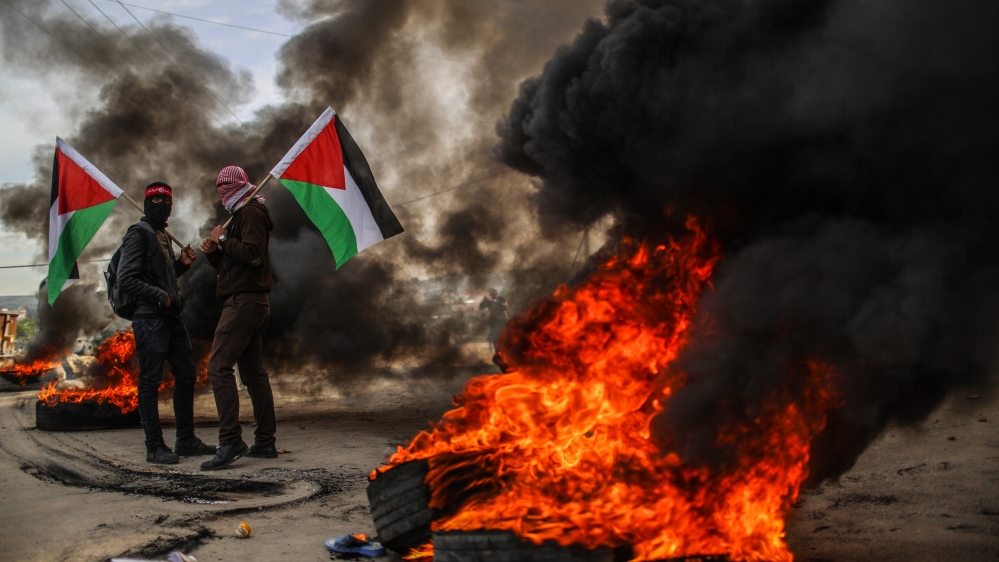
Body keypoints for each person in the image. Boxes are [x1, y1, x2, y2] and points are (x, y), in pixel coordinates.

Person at [117, 182, 216, 464]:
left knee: (186, 374)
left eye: (167, 201)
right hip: (150, 320)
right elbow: (126, 279)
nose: (163, 205)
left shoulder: (161, 235)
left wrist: (181, 265)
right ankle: (154, 446)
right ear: (147, 204)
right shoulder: (138, 234)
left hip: (172, 319)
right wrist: (161, 296)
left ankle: (186, 440)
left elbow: (162, 277)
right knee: (150, 381)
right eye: (156, 200)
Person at [198, 166, 277, 471]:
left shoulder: (251, 212)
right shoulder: (241, 215)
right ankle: (265, 442)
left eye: (226, 187)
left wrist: (221, 239)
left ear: (240, 186)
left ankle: (230, 440)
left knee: (218, 367)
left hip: (244, 303)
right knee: (254, 374)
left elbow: (254, 254)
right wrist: (214, 252)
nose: (222, 193)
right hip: (250, 301)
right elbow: (231, 267)